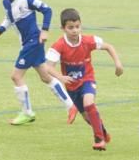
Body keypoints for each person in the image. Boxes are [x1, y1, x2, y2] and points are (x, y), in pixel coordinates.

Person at [0, 0, 78, 126]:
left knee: (16, 76)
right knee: (45, 77)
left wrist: (44, 30)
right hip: (29, 43)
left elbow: (47, 10)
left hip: (32, 43)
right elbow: (9, 19)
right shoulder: (6, 2)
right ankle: (71, 106)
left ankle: (27, 113)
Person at [46, 8, 124, 151]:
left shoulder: (88, 40)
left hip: (87, 79)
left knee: (89, 103)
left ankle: (99, 139)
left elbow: (108, 47)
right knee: (87, 117)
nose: (75, 30)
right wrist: (60, 77)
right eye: (70, 28)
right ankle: (103, 131)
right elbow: (48, 67)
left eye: (77, 27)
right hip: (71, 87)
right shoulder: (59, 45)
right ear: (63, 28)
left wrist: (118, 64)